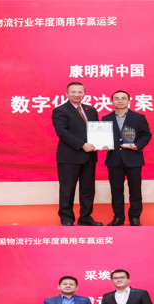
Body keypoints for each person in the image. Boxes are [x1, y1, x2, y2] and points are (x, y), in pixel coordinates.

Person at [52, 82, 103, 226]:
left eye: (80, 92)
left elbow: (97, 130)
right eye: (73, 92)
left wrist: (103, 143)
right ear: (67, 93)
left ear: (84, 94)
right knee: (67, 189)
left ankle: (85, 217)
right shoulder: (60, 111)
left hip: (89, 156)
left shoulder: (91, 110)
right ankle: (67, 217)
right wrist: (82, 144)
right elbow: (62, 132)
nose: (77, 94)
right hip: (69, 157)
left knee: (88, 189)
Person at [102, 91, 152, 226]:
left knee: (135, 189)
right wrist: (102, 145)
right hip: (114, 159)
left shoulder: (138, 117)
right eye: (117, 99)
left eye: (123, 98)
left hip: (133, 158)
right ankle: (118, 217)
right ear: (112, 101)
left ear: (129, 101)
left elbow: (146, 135)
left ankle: (135, 217)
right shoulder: (106, 118)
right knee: (116, 190)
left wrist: (137, 146)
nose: (120, 101)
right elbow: (103, 136)